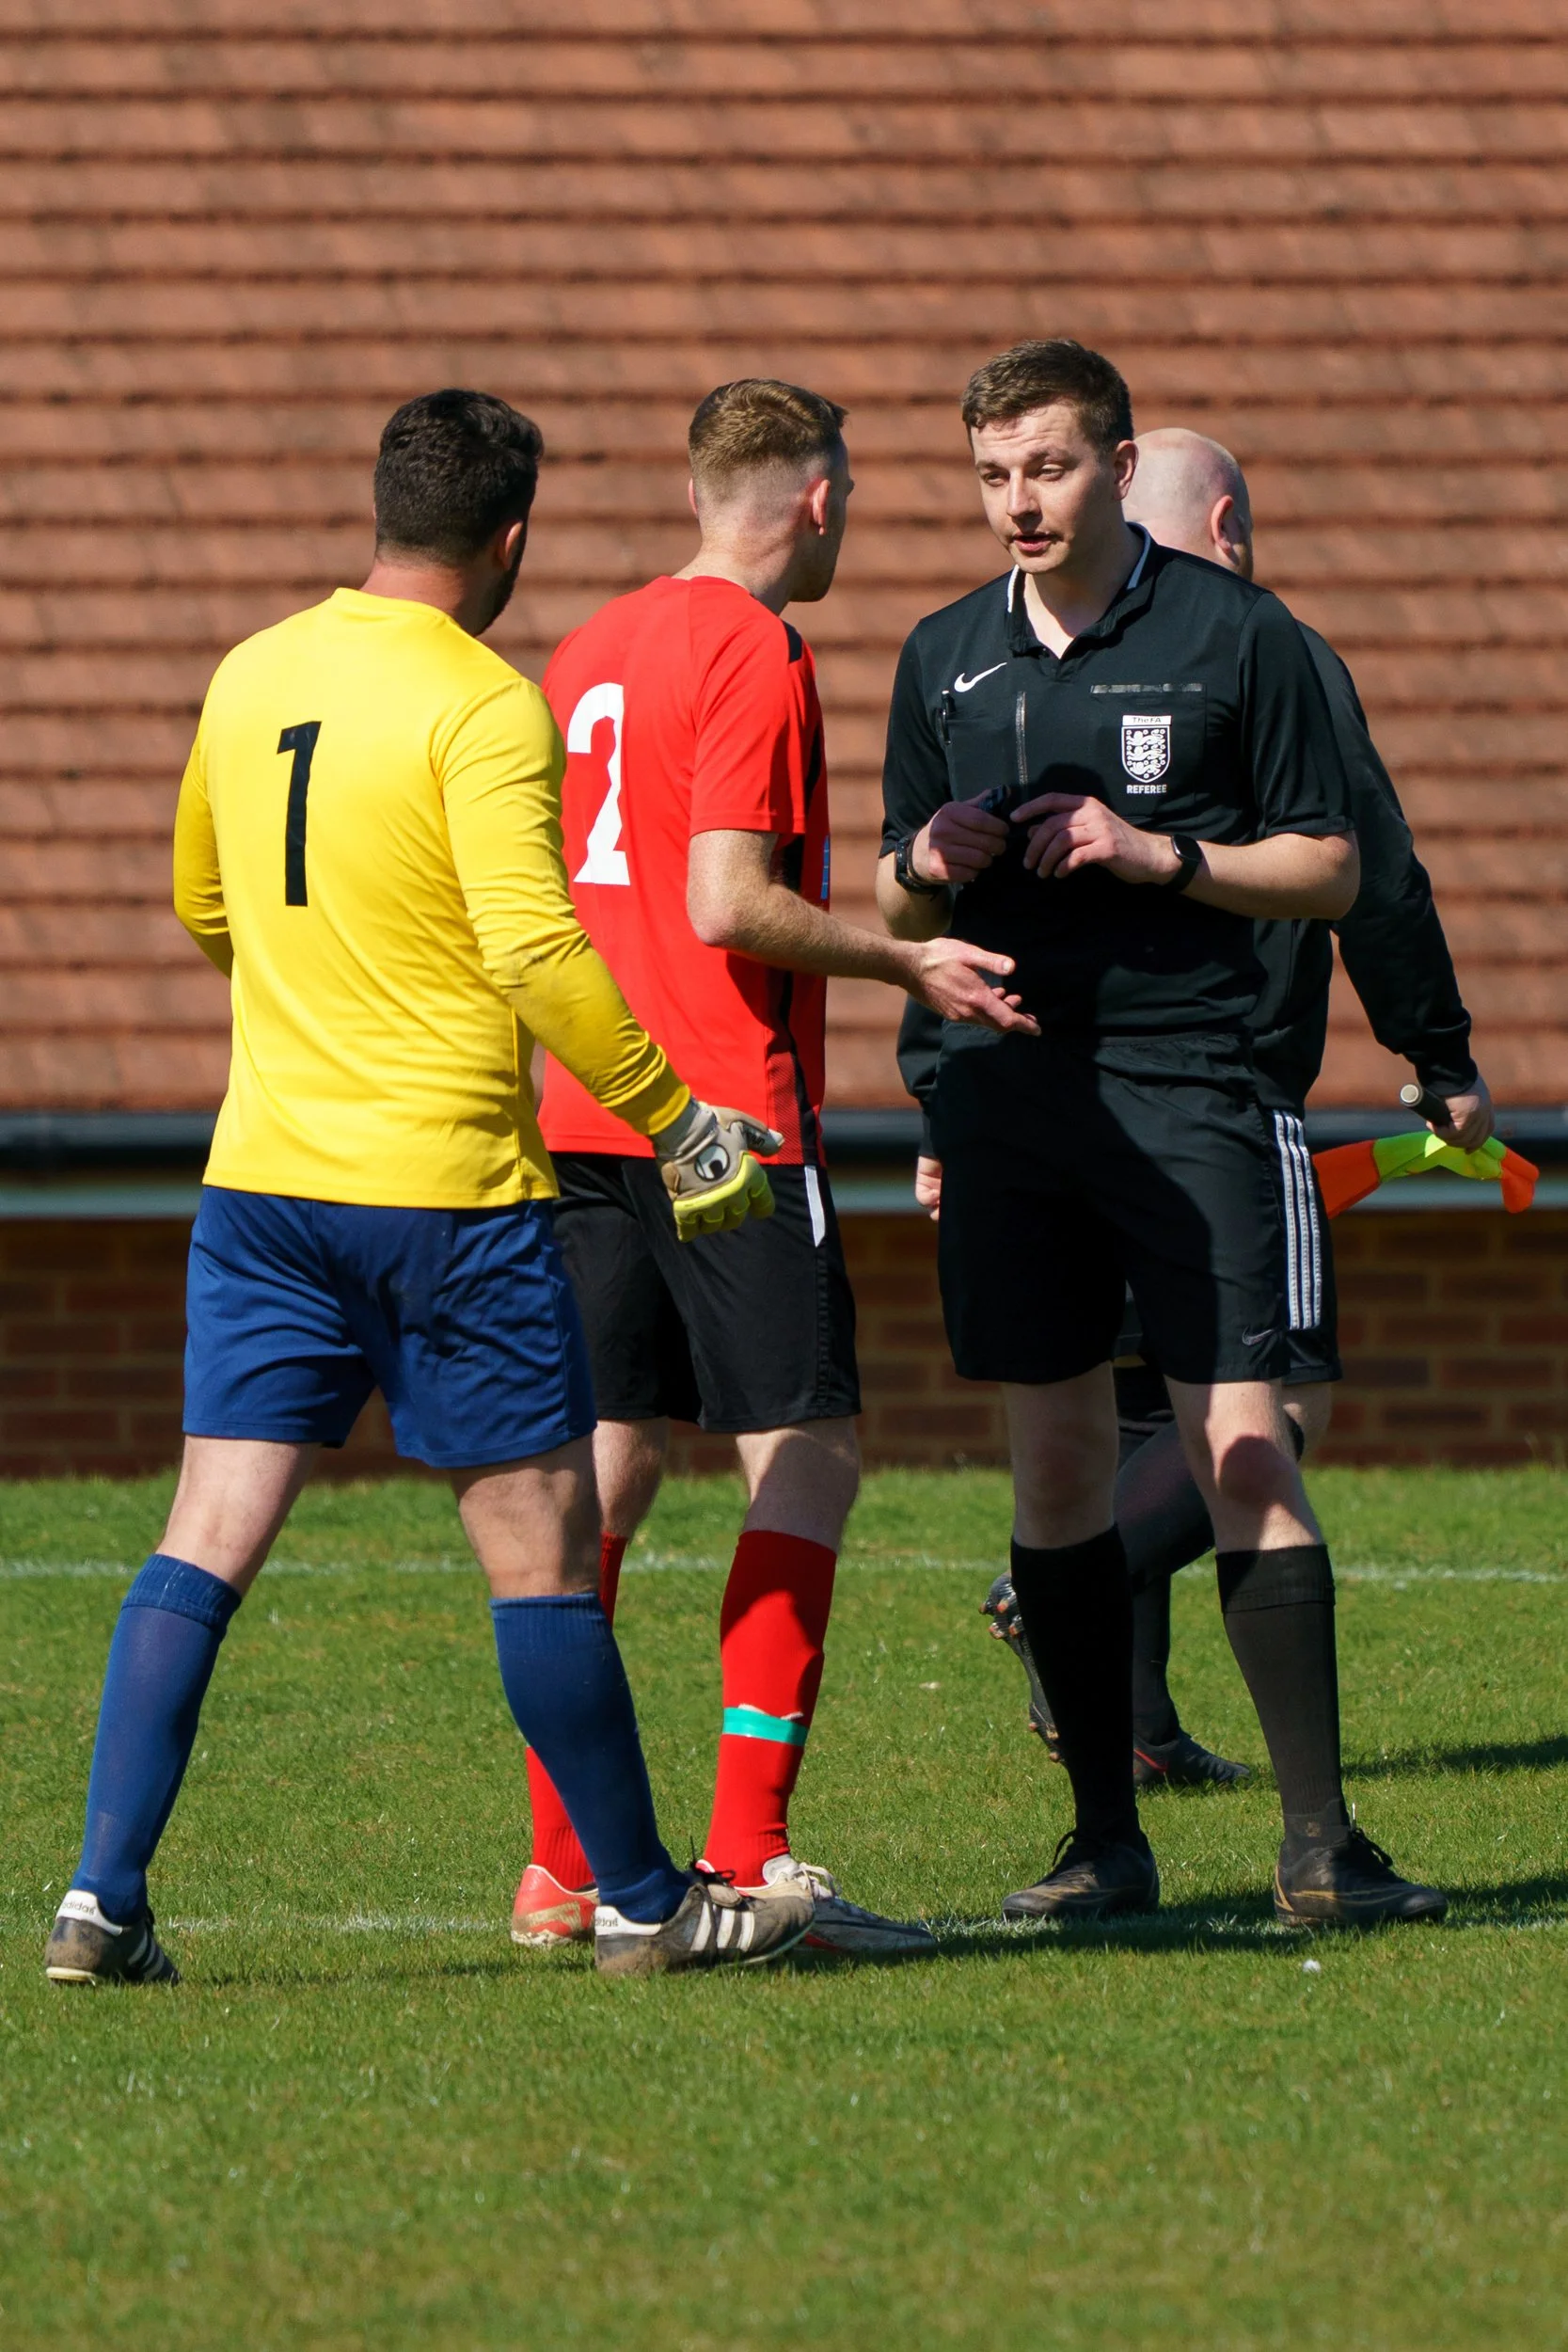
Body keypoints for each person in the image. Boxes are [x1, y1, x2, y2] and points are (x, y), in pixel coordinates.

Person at [44, 389, 816, 1988]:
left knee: (206, 1535)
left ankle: (100, 1901)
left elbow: (205, 899)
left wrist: (316, 997)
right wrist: (677, 1121)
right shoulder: (480, 703)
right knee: (538, 1547)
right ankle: (636, 1898)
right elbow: (539, 950)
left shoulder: (250, 671)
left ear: (384, 507)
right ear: (511, 539)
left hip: (261, 1186)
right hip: (449, 1197)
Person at [879, 338, 1447, 1930]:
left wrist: (1156, 853)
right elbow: (883, 896)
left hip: (1191, 1089)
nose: (1017, 504)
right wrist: (924, 857)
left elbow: (1334, 870)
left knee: (1245, 1441)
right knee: (1054, 1462)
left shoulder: (1238, 638)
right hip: (1008, 1103)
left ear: (1121, 470)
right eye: (991, 475)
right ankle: (1099, 1844)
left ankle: (1319, 1848)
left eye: (1046, 468)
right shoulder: (940, 658)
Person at [510, 378, 1036, 1959]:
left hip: (587, 1110)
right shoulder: (755, 648)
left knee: (607, 1465)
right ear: (815, 498)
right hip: (725, 1121)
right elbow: (729, 903)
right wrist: (904, 961)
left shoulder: (587, 646)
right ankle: (748, 1858)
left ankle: (563, 1871)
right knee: (804, 1451)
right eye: (853, 491)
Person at [959, 427, 1493, 1790]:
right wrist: (1435, 1054)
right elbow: (1367, 872)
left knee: (1145, 1414)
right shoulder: (1273, 652)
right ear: (1233, 522)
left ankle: (1130, 1725)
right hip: (1225, 1093)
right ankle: (1067, 1595)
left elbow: (957, 905)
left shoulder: (1025, 666)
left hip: (1040, 1110)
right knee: (1277, 1402)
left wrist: (940, 1106)